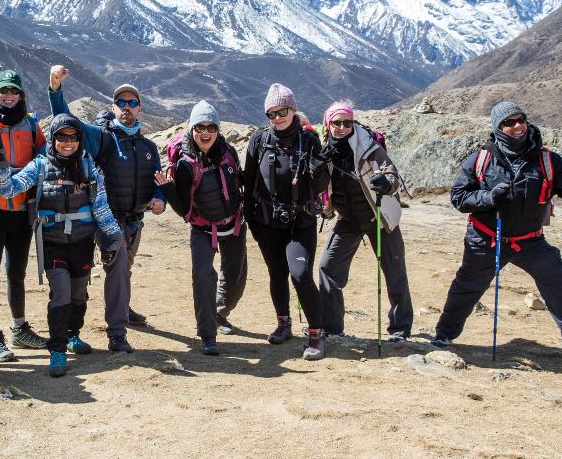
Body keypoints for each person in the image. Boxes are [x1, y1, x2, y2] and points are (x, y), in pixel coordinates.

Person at [432, 102, 562, 379]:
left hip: (530, 242)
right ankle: (443, 336)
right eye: (508, 123)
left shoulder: (547, 159)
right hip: (486, 240)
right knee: (466, 287)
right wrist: (488, 198)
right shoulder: (480, 159)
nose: (517, 126)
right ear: (498, 128)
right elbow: (459, 197)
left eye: (520, 119)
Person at [0, 114, 124, 377]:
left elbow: (101, 208)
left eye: (73, 137)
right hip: (51, 241)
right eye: (62, 136)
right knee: (61, 292)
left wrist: (114, 238)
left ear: (79, 139)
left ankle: (73, 334)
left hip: (83, 241)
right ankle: (58, 349)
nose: (68, 142)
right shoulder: (39, 166)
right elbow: (8, 190)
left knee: (78, 294)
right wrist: (3, 167)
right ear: (53, 138)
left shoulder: (88, 168)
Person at [48, 66, 166, 354]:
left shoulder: (149, 147)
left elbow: (157, 183)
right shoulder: (101, 137)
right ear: (113, 108)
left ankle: (120, 308)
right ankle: (117, 333)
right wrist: (55, 89)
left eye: (132, 103)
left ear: (140, 109)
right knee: (118, 267)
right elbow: (67, 121)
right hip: (106, 220)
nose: (127, 107)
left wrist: (159, 199)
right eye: (121, 103)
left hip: (134, 222)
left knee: (121, 270)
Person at [243, 83, 331, 359]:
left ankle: (316, 334)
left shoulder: (310, 140)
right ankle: (283, 324)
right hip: (267, 221)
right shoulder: (258, 141)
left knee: (300, 275)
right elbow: (249, 182)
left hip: (301, 221)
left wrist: (318, 169)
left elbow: (322, 184)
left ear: (293, 109)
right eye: (271, 113)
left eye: (282, 111)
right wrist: (251, 220)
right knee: (276, 274)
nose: (277, 118)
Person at [315, 102, 413, 342]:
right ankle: (332, 328)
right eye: (336, 123)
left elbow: (391, 172)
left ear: (353, 123)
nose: (341, 127)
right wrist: (317, 165)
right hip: (347, 220)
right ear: (328, 124)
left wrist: (386, 185)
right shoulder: (324, 148)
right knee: (328, 268)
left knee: (395, 273)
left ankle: (400, 330)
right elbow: (317, 183)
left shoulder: (368, 146)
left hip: (378, 218)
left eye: (346, 123)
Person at [155, 101, 247, 355]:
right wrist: (168, 191)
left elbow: (240, 183)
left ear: (218, 129)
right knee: (203, 278)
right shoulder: (185, 165)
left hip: (235, 224)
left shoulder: (229, 152)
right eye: (200, 127)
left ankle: (218, 312)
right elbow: (184, 210)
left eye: (211, 127)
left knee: (235, 280)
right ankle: (208, 334)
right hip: (203, 230)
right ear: (192, 129)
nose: (205, 133)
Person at [0, 70, 49, 362]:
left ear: (20, 94)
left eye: (13, 91)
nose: (8, 95)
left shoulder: (31, 125)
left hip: (22, 212)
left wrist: (22, 176)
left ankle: (19, 329)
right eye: (3, 91)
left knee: (17, 274)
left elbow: (44, 158)